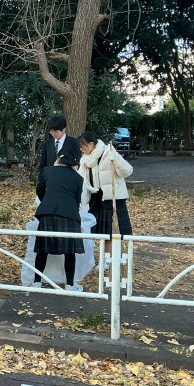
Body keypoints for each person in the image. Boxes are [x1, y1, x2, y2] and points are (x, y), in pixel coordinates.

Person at [33, 155, 85, 292]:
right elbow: (77, 200)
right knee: (70, 251)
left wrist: (48, 200)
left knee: (42, 249)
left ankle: (36, 283)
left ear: (59, 161)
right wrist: (78, 220)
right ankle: (69, 285)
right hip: (69, 214)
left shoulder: (47, 171)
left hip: (48, 212)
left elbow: (39, 190)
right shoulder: (78, 178)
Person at [77, 131, 134, 256]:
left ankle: (113, 259)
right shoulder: (85, 159)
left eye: (82, 146)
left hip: (112, 198)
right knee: (100, 233)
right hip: (96, 198)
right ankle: (107, 259)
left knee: (112, 233)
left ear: (91, 144)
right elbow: (80, 178)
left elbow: (128, 171)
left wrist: (116, 159)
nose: (81, 149)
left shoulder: (109, 153)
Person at [37, 115, 82, 185]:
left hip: (68, 181)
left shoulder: (73, 143)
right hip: (51, 181)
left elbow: (78, 162)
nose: (53, 133)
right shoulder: (47, 144)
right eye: (51, 131)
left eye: (56, 131)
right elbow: (43, 164)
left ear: (64, 130)